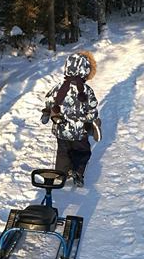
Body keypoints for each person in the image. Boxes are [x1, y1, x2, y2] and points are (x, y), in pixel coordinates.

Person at [41, 51, 101, 186]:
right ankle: (78, 173)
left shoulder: (58, 88)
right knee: (81, 152)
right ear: (85, 70)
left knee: (63, 152)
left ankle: (61, 173)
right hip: (79, 132)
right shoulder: (87, 91)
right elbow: (92, 109)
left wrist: (47, 113)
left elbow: (50, 102)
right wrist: (91, 121)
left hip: (61, 130)